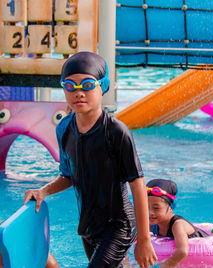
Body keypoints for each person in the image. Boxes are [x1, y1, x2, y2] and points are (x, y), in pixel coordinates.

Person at [23, 51, 157, 268]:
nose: (78, 92)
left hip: (118, 224)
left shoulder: (115, 131)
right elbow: (69, 175)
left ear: (102, 86)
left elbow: (137, 183)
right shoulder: (64, 129)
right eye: (70, 86)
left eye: (87, 84)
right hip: (88, 225)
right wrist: (43, 191)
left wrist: (144, 239)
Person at [147, 179, 208, 268]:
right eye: (146, 207)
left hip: (205, 253)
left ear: (170, 208)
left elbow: (182, 251)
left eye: (156, 208)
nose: (150, 212)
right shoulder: (151, 223)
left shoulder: (177, 225)